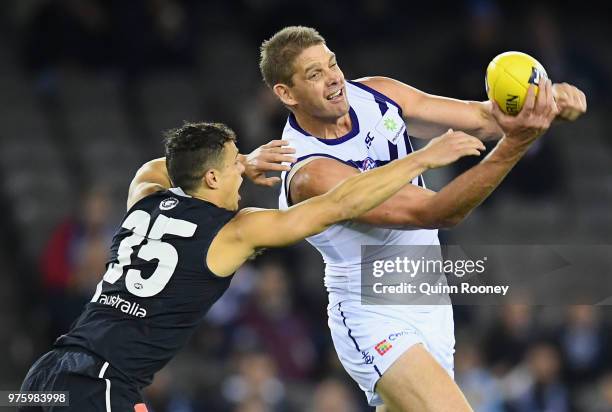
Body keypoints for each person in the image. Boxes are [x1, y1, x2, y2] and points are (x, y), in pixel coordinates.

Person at [19, 121, 483, 411]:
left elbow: (157, 168)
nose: (245, 170)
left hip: (49, 373)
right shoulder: (234, 231)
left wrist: (233, 161)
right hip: (100, 384)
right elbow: (341, 203)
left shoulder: (144, 198)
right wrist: (423, 158)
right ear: (213, 176)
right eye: (235, 163)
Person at [259, 26, 587, 411]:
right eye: (315, 74)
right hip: (372, 311)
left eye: (332, 64)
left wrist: (541, 105)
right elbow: (435, 212)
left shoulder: (377, 94)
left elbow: (483, 117)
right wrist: (517, 143)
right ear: (286, 93)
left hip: (427, 294)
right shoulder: (310, 171)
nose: (334, 79)